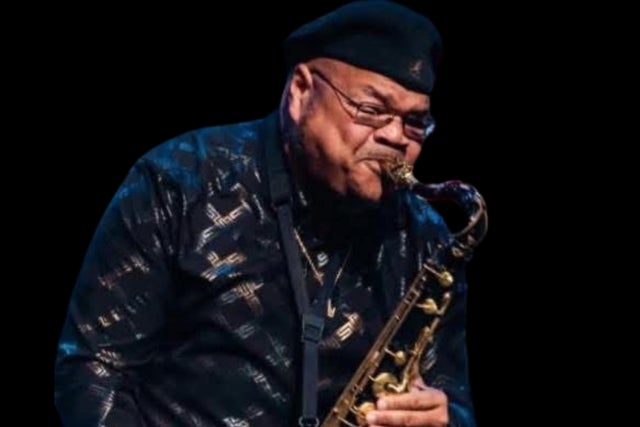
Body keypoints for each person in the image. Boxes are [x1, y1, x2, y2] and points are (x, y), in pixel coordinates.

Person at [54, 1, 481, 426]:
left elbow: (454, 397)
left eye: (414, 123)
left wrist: (447, 419)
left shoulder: (425, 237)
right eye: (371, 110)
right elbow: (92, 371)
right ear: (301, 91)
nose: (395, 137)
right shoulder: (179, 181)